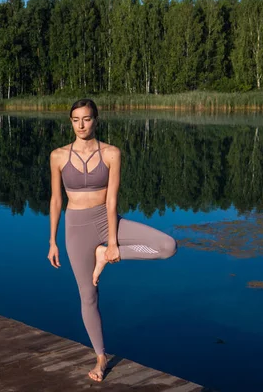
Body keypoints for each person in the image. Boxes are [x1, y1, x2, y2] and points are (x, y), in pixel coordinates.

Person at [47, 99, 177, 382]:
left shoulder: (111, 153)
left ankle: (103, 255)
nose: (81, 125)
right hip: (75, 228)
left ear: (96, 119)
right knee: (88, 296)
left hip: (106, 221)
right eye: (76, 120)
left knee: (167, 246)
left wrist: (114, 243)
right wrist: (52, 241)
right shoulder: (57, 155)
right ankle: (101, 357)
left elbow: (112, 198)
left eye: (87, 119)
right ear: (70, 122)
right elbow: (56, 199)